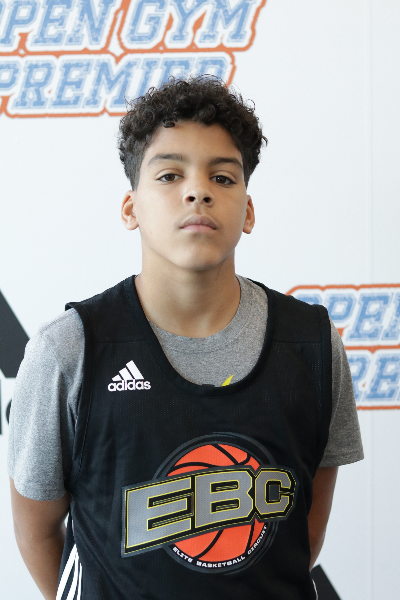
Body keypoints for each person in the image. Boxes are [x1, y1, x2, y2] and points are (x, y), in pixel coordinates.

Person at [8, 76, 363, 600]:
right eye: (170, 175)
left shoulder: (312, 345)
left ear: (248, 211)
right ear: (130, 208)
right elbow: (37, 531)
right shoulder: (68, 351)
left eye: (222, 177)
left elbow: (303, 531)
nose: (197, 191)